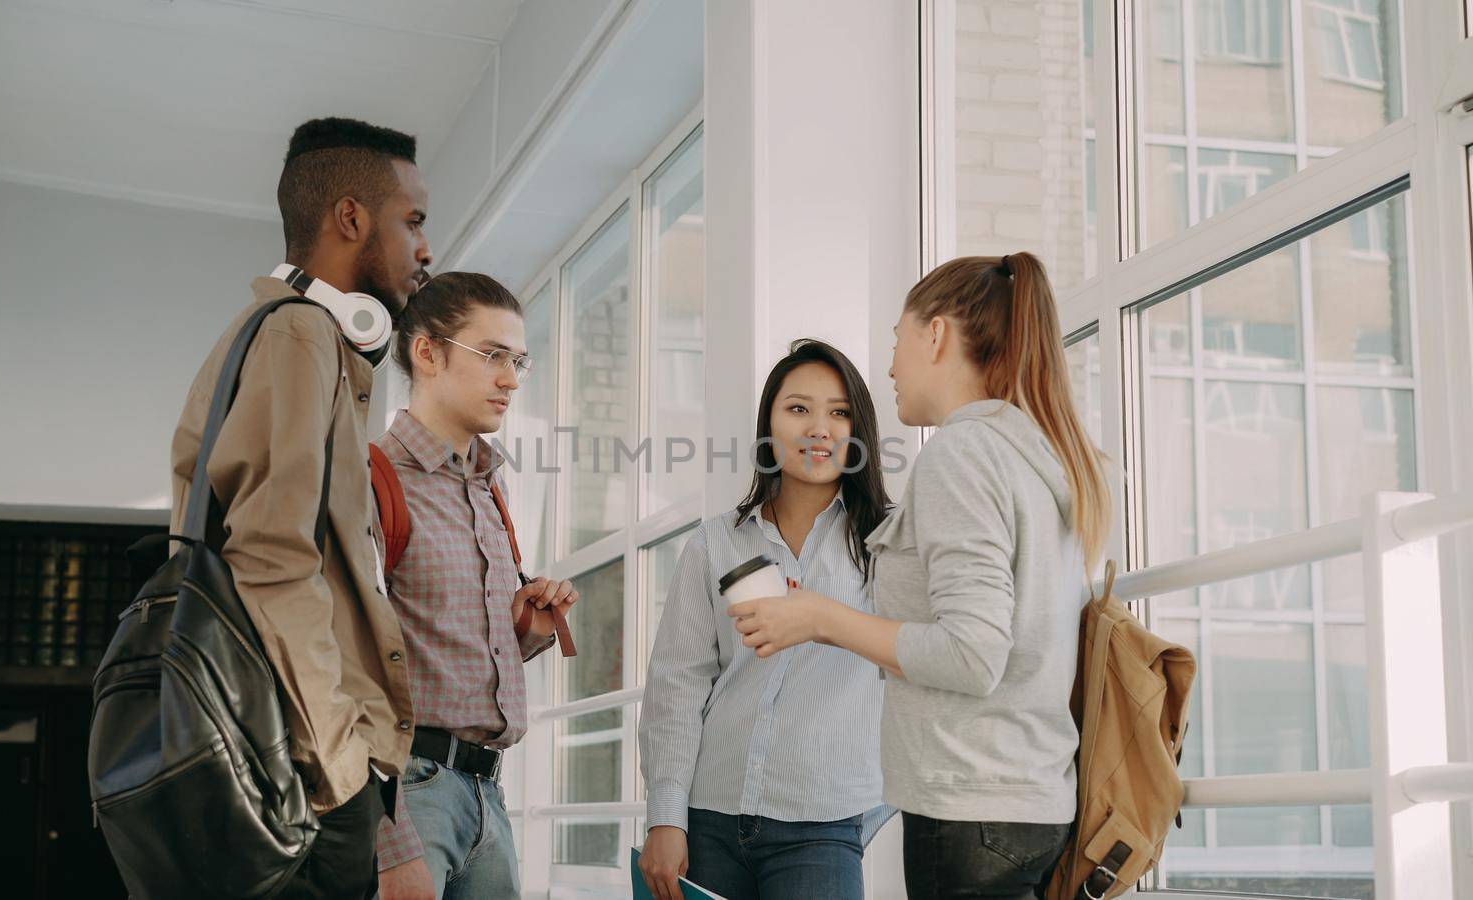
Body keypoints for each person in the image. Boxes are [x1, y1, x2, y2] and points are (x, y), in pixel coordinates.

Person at [729, 253, 1110, 900]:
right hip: (1032, 803)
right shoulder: (1037, 449)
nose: (890, 367)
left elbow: (972, 654)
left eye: (897, 340)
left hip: (970, 812)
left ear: (935, 335)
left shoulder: (962, 454)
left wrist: (821, 617)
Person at [169, 116, 433, 899]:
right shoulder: (299, 336)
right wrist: (348, 776)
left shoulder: (297, 336)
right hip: (305, 773)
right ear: (350, 219)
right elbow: (272, 560)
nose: (426, 247)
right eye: (413, 221)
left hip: (292, 761)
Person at [639, 340, 895, 900]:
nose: (819, 428)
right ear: (768, 425)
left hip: (822, 826)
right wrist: (666, 816)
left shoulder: (890, 543)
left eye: (839, 411)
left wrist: (867, 805)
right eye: (798, 409)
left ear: (859, 431)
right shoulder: (715, 542)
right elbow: (677, 683)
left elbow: (917, 660)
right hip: (709, 818)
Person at [374, 271, 580, 900]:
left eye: (519, 360)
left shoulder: (492, 489)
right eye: (492, 356)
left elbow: (442, 646)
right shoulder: (371, 481)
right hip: (407, 793)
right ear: (427, 352)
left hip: (487, 793)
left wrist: (526, 633)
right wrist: (388, 833)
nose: (512, 380)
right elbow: (341, 665)